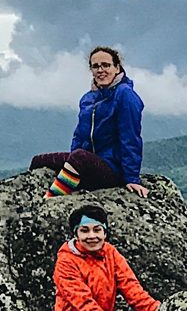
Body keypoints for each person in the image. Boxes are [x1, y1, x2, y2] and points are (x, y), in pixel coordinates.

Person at [30, 47, 146, 200]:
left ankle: (50, 200)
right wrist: (71, 164)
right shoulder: (88, 99)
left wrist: (131, 178)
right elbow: (79, 135)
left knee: (79, 157)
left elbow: (130, 138)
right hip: (87, 163)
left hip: (112, 169)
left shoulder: (125, 95)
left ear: (117, 68)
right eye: (96, 66)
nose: (100, 70)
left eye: (106, 65)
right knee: (39, 161)